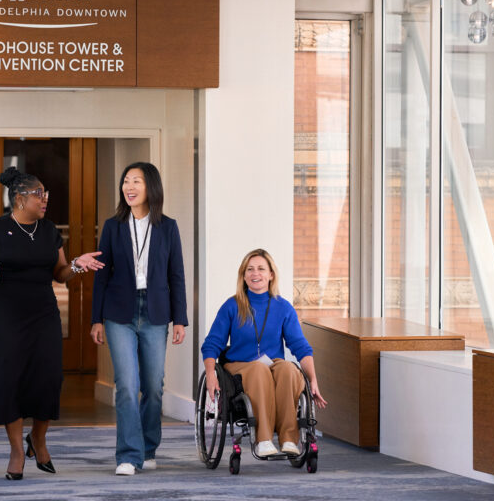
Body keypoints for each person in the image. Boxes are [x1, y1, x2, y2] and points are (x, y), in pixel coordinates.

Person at [0, 167, 103, 480]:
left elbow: (59, 273)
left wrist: (76, 266)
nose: (45, 200)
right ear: (19, 198)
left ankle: (38, 438)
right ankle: (17, 450)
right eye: (38, 194)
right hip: (5, 315)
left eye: (46, 195)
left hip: (43, 313)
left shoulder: (49, 231)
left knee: (49, 377)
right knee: (9, 379)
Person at [90, 162, 187, 476]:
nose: (129, 187)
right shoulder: (113, 226)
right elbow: (101, 277)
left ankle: (147, 446)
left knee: (153, 387)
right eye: (126, 181)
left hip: (156, 312)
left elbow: (177, 276)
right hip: (120, 313)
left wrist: (180, 319)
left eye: (136, 181)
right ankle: (128, 456)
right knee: (127, 386)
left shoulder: (168, 227)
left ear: (151, 188)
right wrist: (97, 319)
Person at [201, 248, 326, 457]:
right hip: (239, 364)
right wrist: (211, 374)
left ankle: (289, 439)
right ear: (243, 275)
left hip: (273, 364)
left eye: (260, 268)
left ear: (271, 275)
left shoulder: (283, 308)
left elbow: (300, 346)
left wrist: (312, 379)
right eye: (249, 269)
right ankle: (263, 439)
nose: (255, 273)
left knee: (288, 369)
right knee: (259, 369)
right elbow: (212, 343)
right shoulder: (232, 306)